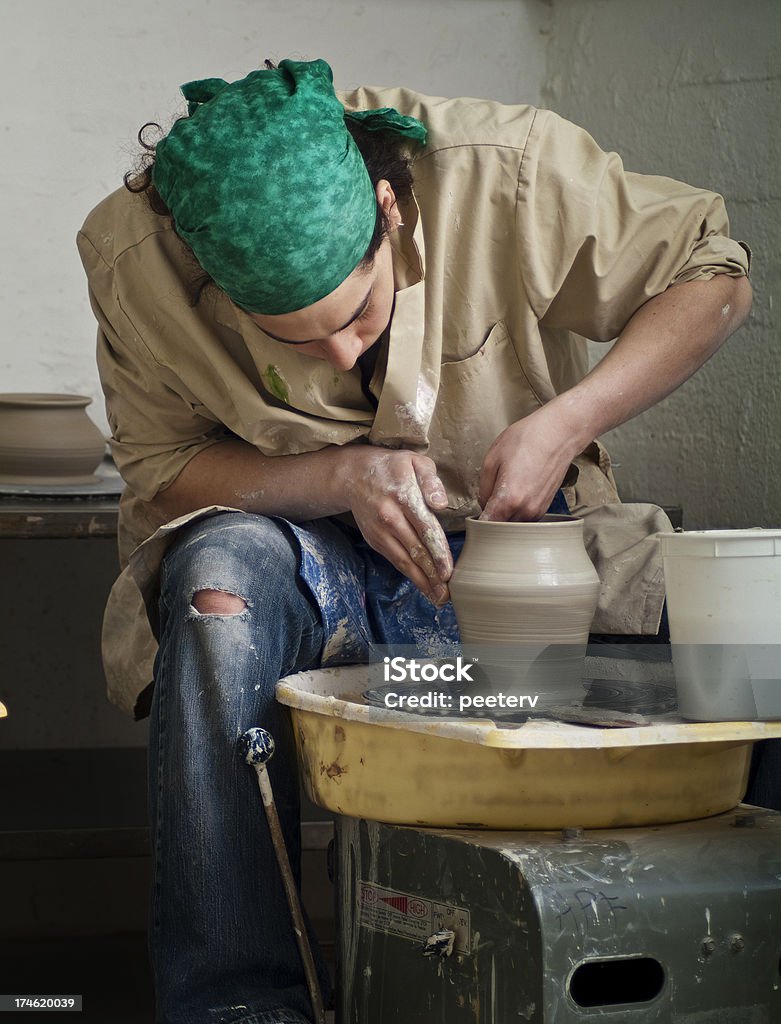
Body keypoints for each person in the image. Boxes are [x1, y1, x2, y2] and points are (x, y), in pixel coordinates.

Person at [77, 58, 752, 1024]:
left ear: (390, 209)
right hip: (308, 551)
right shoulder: (134, 261)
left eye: (356, 314)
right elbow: (162, 463)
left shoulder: (504, 172)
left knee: (746, 633)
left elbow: (714, 273)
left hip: (518, 540)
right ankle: (238, 1000)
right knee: (213, 583)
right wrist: (336, 478)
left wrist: (564, 422)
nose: (342, 353)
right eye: (294, 342)